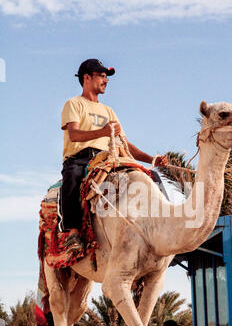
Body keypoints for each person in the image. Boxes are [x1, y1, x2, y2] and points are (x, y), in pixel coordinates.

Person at [59, 58, 168, 252]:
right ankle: (72, 233)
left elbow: (124, 144)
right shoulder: (74, 104)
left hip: (109, 158)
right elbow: (74, 135)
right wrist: (101, 132)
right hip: (80, 158)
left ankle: (159, 223)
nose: (106, 80)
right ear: (87, 78)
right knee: (72, 178)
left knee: (146, 177)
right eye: (101, 76)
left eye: (106, 77)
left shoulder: (109, 111)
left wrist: (152, 159)